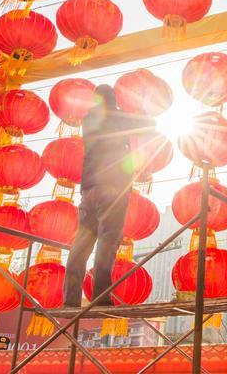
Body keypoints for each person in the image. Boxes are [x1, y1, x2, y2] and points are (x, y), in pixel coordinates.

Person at [63, 84, 154, 307]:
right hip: (113, 187)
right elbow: (149, 123)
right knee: (108, 240)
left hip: (89, 188)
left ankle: (70, 299)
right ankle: (101, 296)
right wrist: (138, 105)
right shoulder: (118, 117)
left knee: (82, 243)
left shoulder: (89, 120)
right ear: (113, 100)